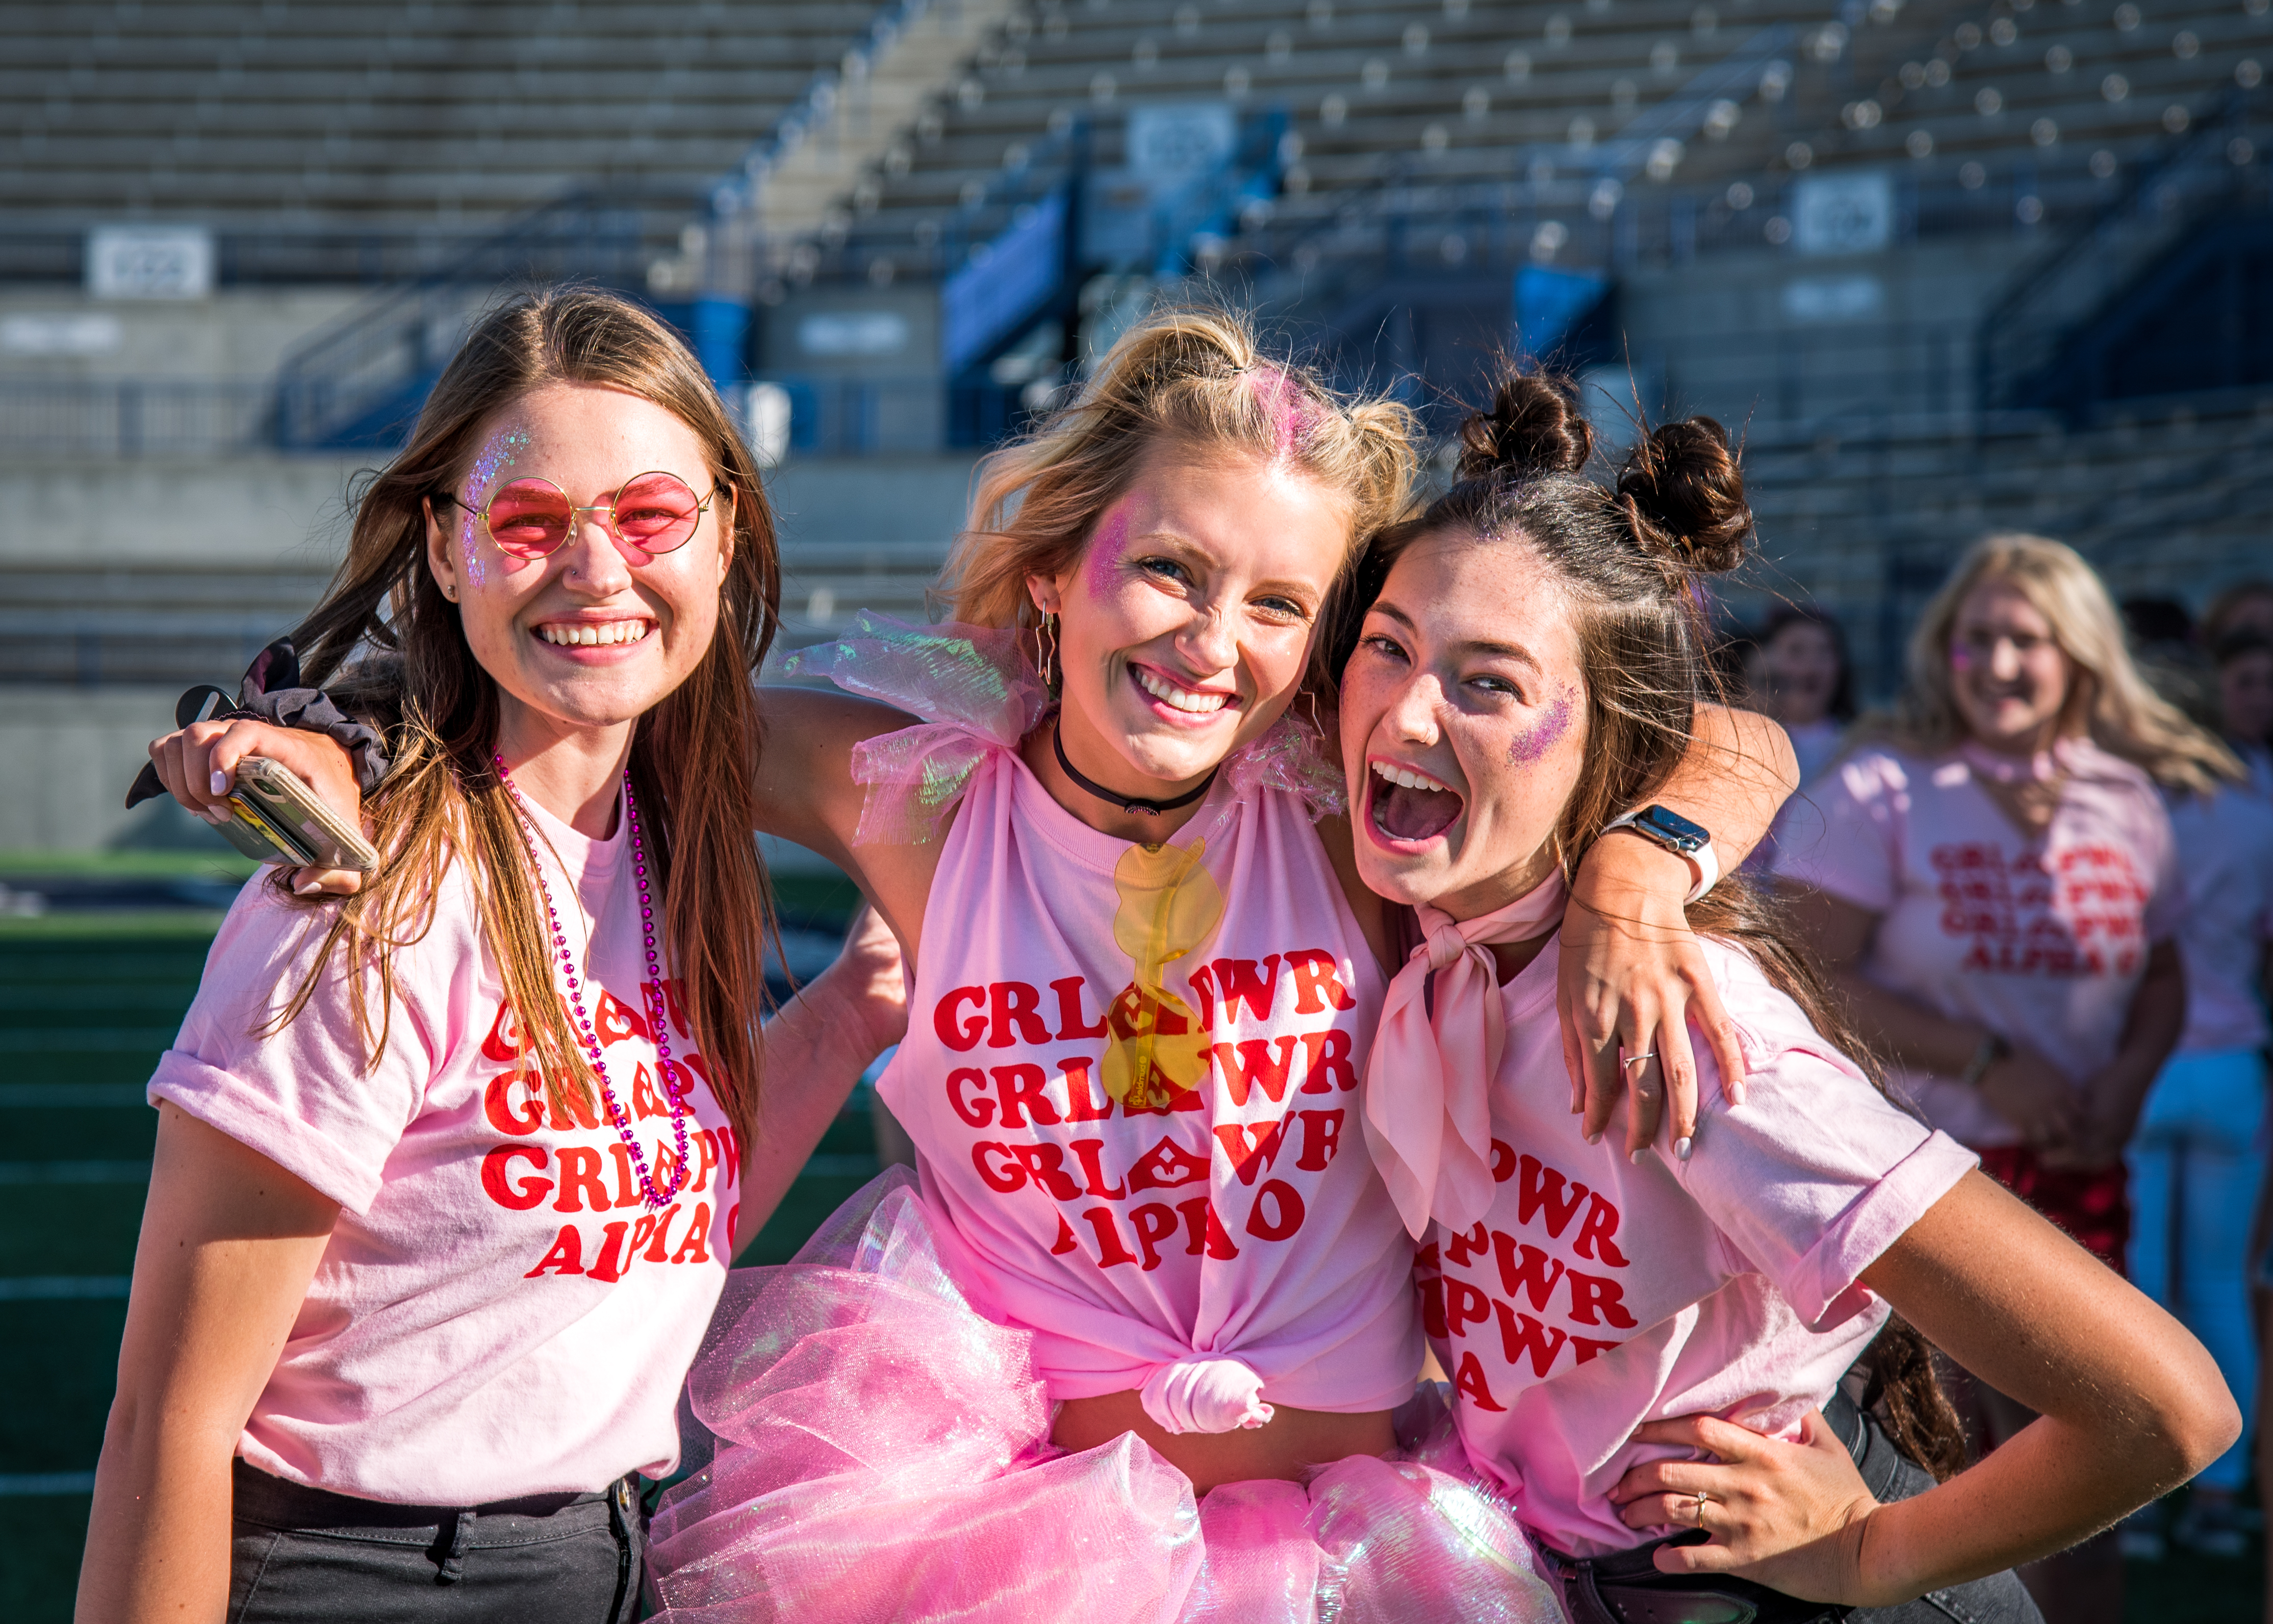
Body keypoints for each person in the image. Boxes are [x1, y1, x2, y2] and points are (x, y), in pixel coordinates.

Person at [165, 306, 1799, 1619]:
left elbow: (1727, 737)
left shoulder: (1351, 820)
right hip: (1010, 1549)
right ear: (1054, 570)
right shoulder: (926, 805)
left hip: (1360, 1558)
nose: (1208, 638)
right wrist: (330, 734)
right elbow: (609, 669)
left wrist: (1640, 880)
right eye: (1166, 568)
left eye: (1278, 604)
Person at [1340, 370, 2240, 1623]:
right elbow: (1739, 737)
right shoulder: (1436, 924)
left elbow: (2164, 1404)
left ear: (1612, 740)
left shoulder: (1683, 1020)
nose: (1409, 704)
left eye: (1489, 681)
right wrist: (1636, 860)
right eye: (1387, 644)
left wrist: (1875, 1555)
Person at [85, 290, 909, 1622]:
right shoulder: (365, 905)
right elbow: (168, 1427)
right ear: (443, 545)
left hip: (608, 1560)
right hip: (361, 1580)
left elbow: (631, 1247)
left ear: (726, 531)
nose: (595, 572)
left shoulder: (673, 838)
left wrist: (852, 1013)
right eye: (529, 524)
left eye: (649, 517)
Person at [1773, 532, 2237, 1623]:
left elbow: (2164, 976)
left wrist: (2126, 1079)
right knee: (1938, 1483)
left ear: (2078, 654)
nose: (1996, 663)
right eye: (1973, 639)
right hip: (1922, 1187)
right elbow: (1805, 970)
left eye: (2023, 638)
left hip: (2079, 1173)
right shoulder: (1888, 787)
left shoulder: (2126, 798)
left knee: (2092, 1469)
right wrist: (1986, 1063)